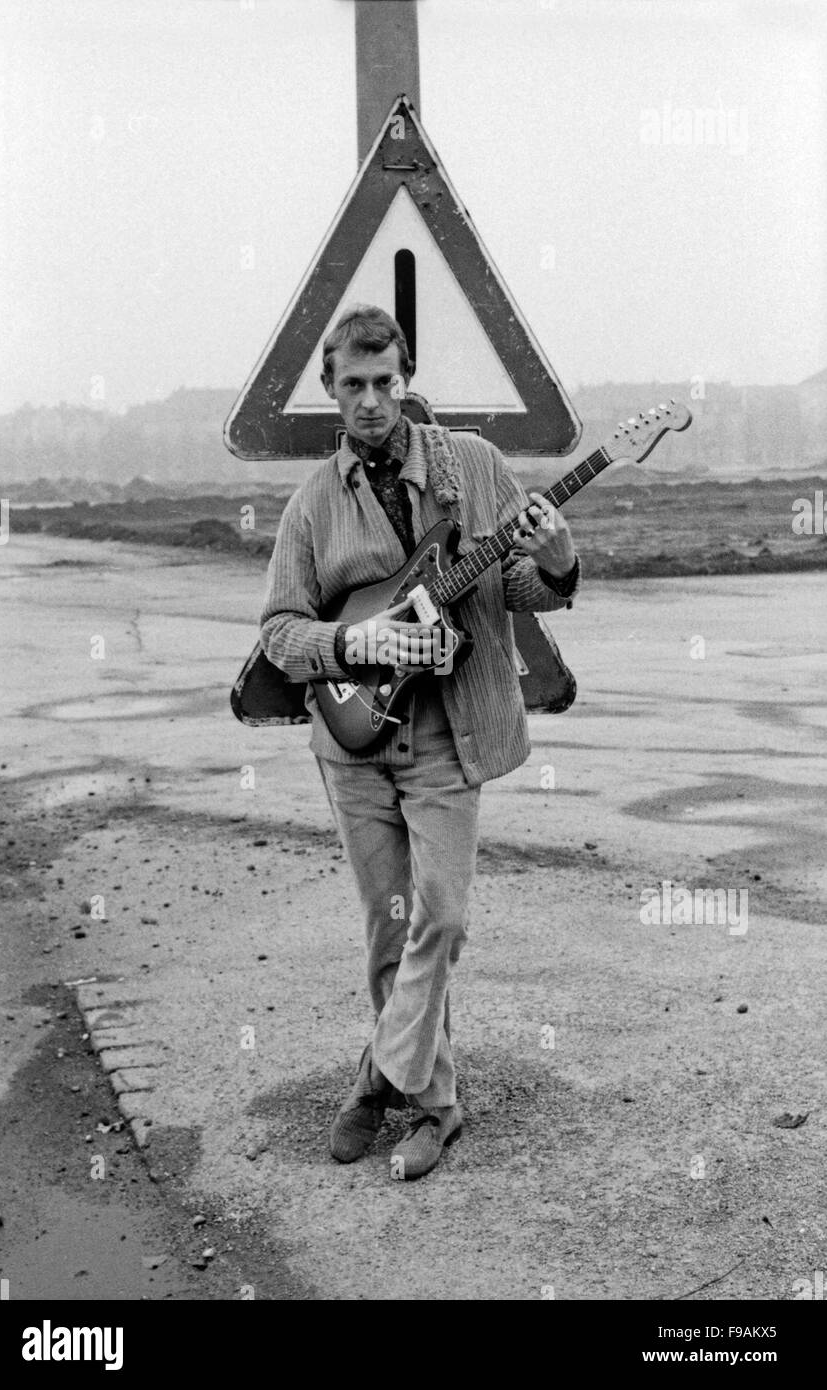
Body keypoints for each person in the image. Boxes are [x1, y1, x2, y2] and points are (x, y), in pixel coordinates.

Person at [260, 304, 579, 1179]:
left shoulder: (468, 467)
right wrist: (352, 643)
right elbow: (281, 633)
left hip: (448, 735)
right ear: (330, 391)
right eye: (352, 385)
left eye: (385, 382)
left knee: (440, 915)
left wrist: (555, 559)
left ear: (406, 381)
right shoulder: (311, 507)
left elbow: (522, 586)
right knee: (387, 929)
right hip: (352, 740)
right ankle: (435, 1106)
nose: (370, 400)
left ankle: (375, 1079)